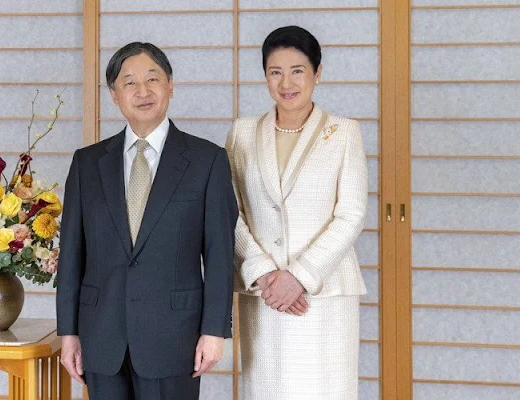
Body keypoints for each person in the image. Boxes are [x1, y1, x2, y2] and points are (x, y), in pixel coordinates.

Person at [56, 42, 238, 400]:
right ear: (114, 95)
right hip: (101, 335)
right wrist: (69, 333)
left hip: (174, 337)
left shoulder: (207, 160)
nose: (143, 92)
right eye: (129, 83)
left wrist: (214, 331)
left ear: (170, 85)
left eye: (153, 79)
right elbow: (71, 255)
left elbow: (220, 254)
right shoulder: (87, 164)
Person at [226, 26, 368, 399]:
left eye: (297, 70)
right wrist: (263, 271)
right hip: (266, 293)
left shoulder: (344, 132)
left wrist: (300, 276)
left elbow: (351, 214)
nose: (286, 82)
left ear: (317, 73)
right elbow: (230, 210)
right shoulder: (242, 133)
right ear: (265, 76)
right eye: (275, 72)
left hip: (324, 293)